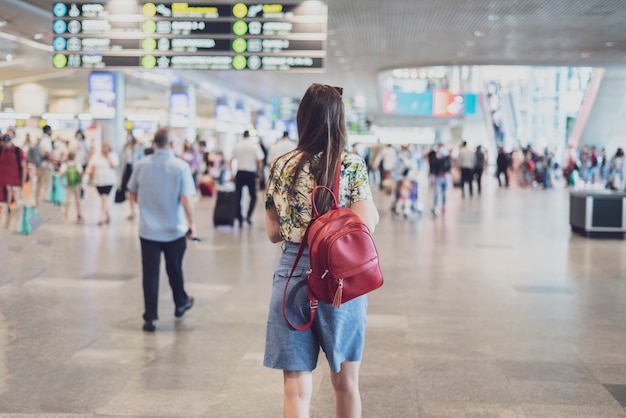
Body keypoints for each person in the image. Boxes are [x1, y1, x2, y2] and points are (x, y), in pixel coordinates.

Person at [264, 84, 379, 417]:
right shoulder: (352, 164)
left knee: (296, 389)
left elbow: (273, 232)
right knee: (346, 383)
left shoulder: (280, 165)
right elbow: (365, 226)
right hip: (340, 277)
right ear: (339, 121)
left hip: (291, 274)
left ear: (303, 118)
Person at [127, 128, 196, 333]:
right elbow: (186, 199)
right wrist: (192, 223)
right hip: (173, 229)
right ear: (172, 144)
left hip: (148, 230)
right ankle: (180, 302)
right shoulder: (180, 166)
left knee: (150, 273)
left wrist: (144, 207)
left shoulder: (142, 164)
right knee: (174, 269)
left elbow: (132, 190)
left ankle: (150, 317)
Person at [230, 130, 264, 225]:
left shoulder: (237, 145)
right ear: (249, 136)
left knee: (238, 196)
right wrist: (260, 172)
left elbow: (231, 160)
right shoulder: (254, 146)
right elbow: (259, 160)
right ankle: (248, 216)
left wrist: (231, 174)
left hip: (239, 173)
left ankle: (239, 217)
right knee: (253, 196)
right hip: (250, 173)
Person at [84, 141, 119, 226]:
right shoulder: (96, 156)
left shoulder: (113, 155)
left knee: (104, 198)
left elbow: (115, 166)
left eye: (106, 147)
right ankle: (108, 216)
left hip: (108, 181)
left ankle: (101, 217)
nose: (104, 149)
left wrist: (108, 157)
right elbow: (90, 165)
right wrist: (86, 173)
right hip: (98, 181)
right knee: (103, 199)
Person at [0, 133, 26, 228]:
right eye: (4, 142)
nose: (6, 144)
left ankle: (14, 226)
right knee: (5, 206)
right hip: (2, 184)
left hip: (15, 184)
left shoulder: (17, 151)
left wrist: (23, 184)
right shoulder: (1, 150)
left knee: (14, 206)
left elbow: (23, 168)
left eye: (7, 142)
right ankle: (5, 225)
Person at [120, 130, 144, 220]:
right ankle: (132, 211)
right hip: (127, 169)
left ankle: (139, 210)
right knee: (129, 190)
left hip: (135, 169)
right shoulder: (125, 147)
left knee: (136, 191)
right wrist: (121, 173)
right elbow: (123, 161)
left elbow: (142, 158)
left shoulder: (137, 147)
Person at [33, 125, 56, 207]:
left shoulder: (40, 140)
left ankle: (36, 203)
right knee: (45, 186)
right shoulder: (46, 140)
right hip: (45, 166)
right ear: (48, 131)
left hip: (39, 165)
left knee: (38, 185)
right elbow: (47, 154)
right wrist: (54, 164)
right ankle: (43, 205)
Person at [59, 150, 83, 224]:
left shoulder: (65, 164)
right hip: (76, 184)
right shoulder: (77, 164)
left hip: (68, 185)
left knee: (67, 200)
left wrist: (63, 182)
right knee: (77, 200)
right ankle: (78, 215)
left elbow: (61, 174)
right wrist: (80, 181)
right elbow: (81, 173)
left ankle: (66, 215)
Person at [431, 145, 451, 216]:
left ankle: (443, 206)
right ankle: (435, 207)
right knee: (437, 193)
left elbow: (449, 166)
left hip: (445, 178)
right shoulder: (435, 157)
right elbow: (433, 167)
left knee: (445, 193)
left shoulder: (447, 158)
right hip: (438, 178)